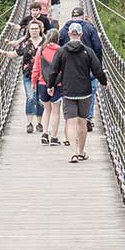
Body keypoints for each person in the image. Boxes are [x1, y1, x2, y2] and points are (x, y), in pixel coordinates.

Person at [47, 22, 107, 162]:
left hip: (68, 91)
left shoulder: (61, 51)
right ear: (81, 34)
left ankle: (73, 153)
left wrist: (51, 85)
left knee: (71, 122)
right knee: (82, 122)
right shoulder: (88, 51)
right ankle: (81, 152)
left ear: (68, 34)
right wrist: (104, 82)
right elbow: (98, 70)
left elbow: (54, 71)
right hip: (85, 92)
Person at [3, 17, 45, 132]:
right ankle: (29, 123)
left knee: (40, 99)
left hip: (42, 76)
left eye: (36, 28)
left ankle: (40, 123)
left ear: (40, 30)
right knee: (30, 98)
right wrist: (4, 53)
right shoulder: (25, 43)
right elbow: (15, 54)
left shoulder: (45, 42)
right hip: (28, 75)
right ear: (28, 30)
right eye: (32, 29)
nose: (34, 31)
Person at [35, 27, 65, 146]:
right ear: (58, 39)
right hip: (58, 83)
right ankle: (54, 137)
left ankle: (45, 133)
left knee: (47, 110)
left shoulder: (40, 50)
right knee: (56, 111)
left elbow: (36, 68)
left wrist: (33, 82)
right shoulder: (62, 51)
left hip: (43, 83)